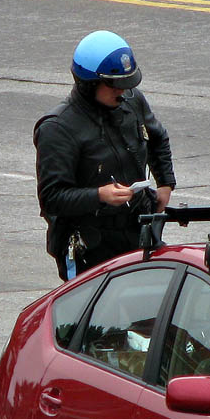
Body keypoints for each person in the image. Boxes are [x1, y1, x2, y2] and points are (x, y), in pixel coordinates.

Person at [34, 30, 176, 280]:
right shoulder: (58, 128)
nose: (122, 91)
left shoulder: (132, 102)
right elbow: (52, 198)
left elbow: (157, 137)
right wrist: (100, 196)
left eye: (126, 84)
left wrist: (165, 183)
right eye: (114, 85)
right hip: (92, 245)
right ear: (89, 84)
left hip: (138, 230)